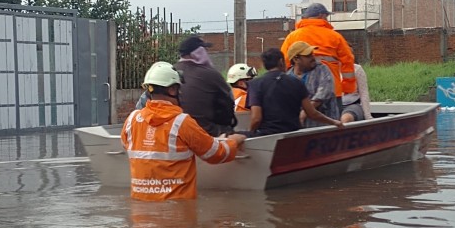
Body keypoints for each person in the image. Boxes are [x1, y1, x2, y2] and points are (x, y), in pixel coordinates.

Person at [121, 61, 246, 201]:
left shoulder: (132, 120)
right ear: (172, 90)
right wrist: (233, 142)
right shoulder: (182, 123)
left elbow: (130, 145)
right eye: (179, 89)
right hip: (177, 208)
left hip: (141, 214)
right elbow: (215, 154)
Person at [245, 48, 343, 137]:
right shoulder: (296, 82)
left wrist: (250, 134)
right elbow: (312, 113)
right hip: (294, 133)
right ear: (281, 61)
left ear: (264, 65)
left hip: (267, 134)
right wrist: (334, 122)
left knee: (235, 137)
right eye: (308, 55)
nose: (313, 57)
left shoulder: (255, 84)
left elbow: (256, 118)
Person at [280, 3, 356, 114]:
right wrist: (348, 87)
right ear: (322, 16)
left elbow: (284, 62)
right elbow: (348, 61)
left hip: (299, 89)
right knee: (332, 125)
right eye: (327, 16)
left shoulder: (293, 36)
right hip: (332, 90)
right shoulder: (334, 36)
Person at [174, 36, 237, 136]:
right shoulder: (211, 74)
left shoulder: (170, 70)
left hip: (173, 130)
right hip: (206, 131)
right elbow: (229, 102)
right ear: (198, 52)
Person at [285, 41, 340, 125]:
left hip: (325, 127)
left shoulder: (322, 69)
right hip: (299, 130)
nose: (313, 57)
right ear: (296, 59)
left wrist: (305, 111)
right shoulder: (287, 77)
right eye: (308, 56)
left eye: (312, 54)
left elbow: (324, 93)